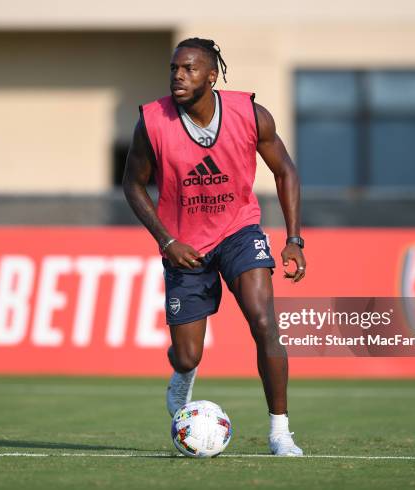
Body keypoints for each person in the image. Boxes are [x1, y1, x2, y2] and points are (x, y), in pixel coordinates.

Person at [123, 37, 306, 456]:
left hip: (239, 232)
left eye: (188, 69)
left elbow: (286, 172)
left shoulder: (249, 114)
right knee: (187, 355)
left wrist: (294, 239)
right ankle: (183, 376)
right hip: (184, 245)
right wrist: (166, 240)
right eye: (174, 69)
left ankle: (280, 433)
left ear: (212, 75)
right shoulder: (151, 122)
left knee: (264, 323)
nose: (178, 76)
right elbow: (132, 184)